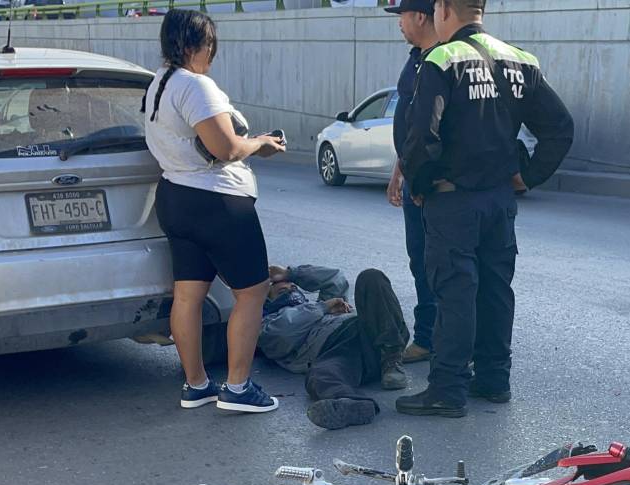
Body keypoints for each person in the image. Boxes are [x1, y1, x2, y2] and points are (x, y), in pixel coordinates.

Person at [397, 0, 574, 418]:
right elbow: (560, 128)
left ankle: (446, 388)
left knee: (455, 291)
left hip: (453, 199)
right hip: (500, 200)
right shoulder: (521, 60)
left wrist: (420, 186)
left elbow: (422, 138)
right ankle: (494, 379)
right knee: (496, 291)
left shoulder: (441, 58)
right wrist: (528, 175)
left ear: (442, 8)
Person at [144, 9, 287, 414]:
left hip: (175, 196)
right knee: (253, 291)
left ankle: (196, 385)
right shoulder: (195, 86)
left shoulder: (159, 83)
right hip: (217, 202)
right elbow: (225, 149)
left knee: (187, 295)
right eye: (210, 46)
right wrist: (259, 144)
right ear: (195, 45)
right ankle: (238, 388)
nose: (212, 54)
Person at [259, 265, 408, 430]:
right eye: (279, 287)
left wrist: (291, 273)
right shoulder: (267, 325)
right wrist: (323, 307)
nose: (290, 287)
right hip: (337, 352)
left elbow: (335, 278)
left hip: (370, 332)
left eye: (292, 285)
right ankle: (353, 404)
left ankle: (392, 358)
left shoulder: (324, 305)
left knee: (371, 276)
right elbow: (284, 333)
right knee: (320, 376)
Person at [384, 0, 438, 365]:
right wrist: (399, 169)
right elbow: (410, 123)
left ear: (420, 16)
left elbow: (434, 131)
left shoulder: (443, 61)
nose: (399, 23)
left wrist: (419, 178)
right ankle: (428, 337)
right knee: (418, 261)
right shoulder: (416, 56)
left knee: (440, 266)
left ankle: (438, 340)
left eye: (402, 15)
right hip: (412, 174)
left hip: (432, 185)